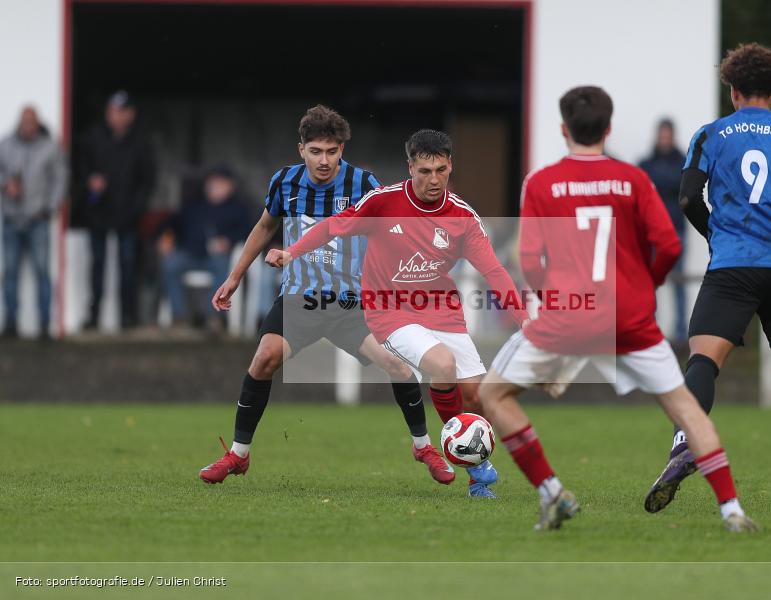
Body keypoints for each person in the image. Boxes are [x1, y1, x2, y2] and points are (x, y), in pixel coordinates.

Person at [477, 86, 758, 532]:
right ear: (608, 129)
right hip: (628, 318)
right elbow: (667, 243)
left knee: (492, 395)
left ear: (564, 129)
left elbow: (529, 261)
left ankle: (552, 493)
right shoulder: (634, 179)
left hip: (565, 317)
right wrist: (645, 285)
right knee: (686, 410)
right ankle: (732, 511)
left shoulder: (542, 183)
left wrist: (552, 301)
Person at [199, 106, 455, 489]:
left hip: (352, 304)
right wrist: (234, 277)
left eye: (332, 151)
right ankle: (238, 454)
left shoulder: (363, 183)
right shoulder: (285, 182)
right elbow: (265, 225)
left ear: (342, 151)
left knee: (399, 366)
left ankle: (423, 447)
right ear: (301, 149)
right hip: (300, 299)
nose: (324, 160)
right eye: (316, 151)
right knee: (264, 358)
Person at [268, 129, 529, 498]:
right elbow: (332, 226)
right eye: (424, 171)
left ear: (450, 165)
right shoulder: (382, 202)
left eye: (440, 169)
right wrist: (291, 252)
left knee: (476, 398)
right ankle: (473, 464)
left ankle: (475, 465)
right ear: (410, 167)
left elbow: (495, 272)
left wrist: (523, 319)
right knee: (442, 365)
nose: (433, 179)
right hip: (388, 310)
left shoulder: (463, 217)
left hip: (441, 308)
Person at [644, 43, 771, 513]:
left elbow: (690, 198)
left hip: (733, 265)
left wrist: (718, 235)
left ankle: (683, 445)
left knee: (702, 362)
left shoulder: (709, 135)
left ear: (733, 91)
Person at [76, 90, 156, 330]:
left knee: (128, 266)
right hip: (98, 213)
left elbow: (147, 180)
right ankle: (94, 316)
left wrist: (137, 209)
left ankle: (127, 317)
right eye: (111, 111)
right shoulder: (93, 138)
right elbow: (80, 171)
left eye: (119, 111)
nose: (114, 116)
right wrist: (90, 184)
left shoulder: (141, 142)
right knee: (97, 266)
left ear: (130, 114)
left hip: (128, 216)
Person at [0, 106, 68, 339]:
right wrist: (5, 185)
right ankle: (10, 323)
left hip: (38, 220)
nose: (28, 127)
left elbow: (60, 178)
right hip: (11, 219)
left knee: (42, 273)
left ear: (38, 123)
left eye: (32, 122)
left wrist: (50, 208)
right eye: (24, 122)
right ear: (20, 122)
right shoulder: (6, 145)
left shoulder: (50, 147)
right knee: (10, 273)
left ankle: (44, 325)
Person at [157, 164, 250, 330]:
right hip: (190, 254)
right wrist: (166, 237)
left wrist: (228, 241)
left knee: (225, 268)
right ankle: (179, 317)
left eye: (221, 183)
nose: (215, 187)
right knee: (170, 265)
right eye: (212, 183)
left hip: (217, 258)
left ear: (230, 187)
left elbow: (248, 232)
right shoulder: (194, 206)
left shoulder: (238, 209)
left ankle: (214, 317)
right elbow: (171, 223)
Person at [639, 119, 688, 343]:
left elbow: (682, 186)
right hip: (652, 234)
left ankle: (680, 332)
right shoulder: (647, 163)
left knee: (677, 281)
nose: (665, 140)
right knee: (650, 283)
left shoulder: (681, 161)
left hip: (676, 230)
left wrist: (659, 184)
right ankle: (652, 328)